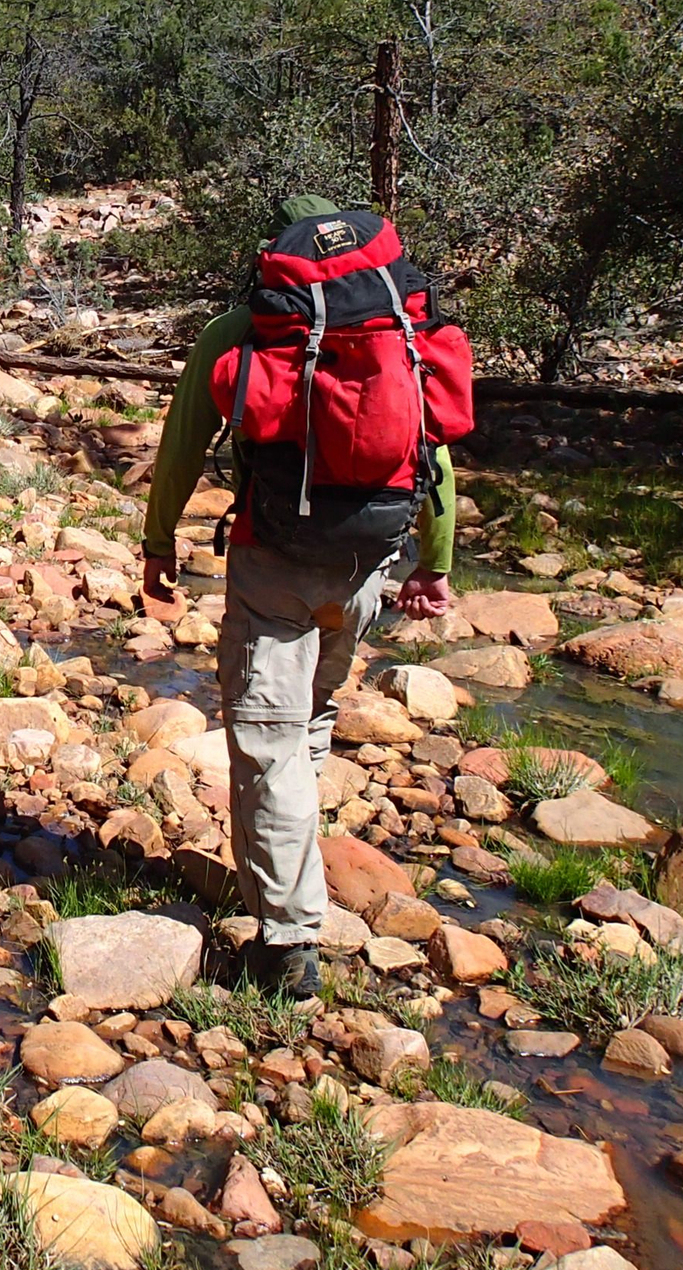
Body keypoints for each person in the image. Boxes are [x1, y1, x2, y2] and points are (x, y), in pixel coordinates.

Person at [140, 196, 473, 998]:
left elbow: (184, 444)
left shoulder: (245, 333)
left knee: (267, 739)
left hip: (275, 562)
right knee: (311, 716)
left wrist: (158, 546)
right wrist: (435, 564)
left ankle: (289, 938)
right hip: (366, 561)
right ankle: (292, 851)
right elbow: (433, 459)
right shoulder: (400, 329)